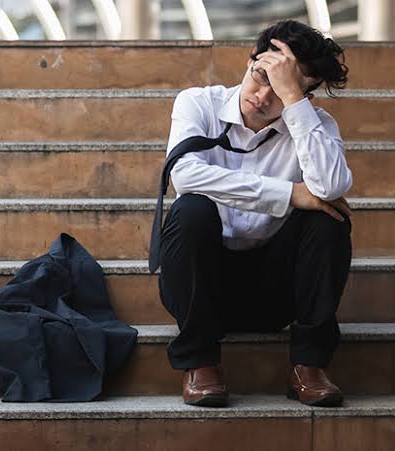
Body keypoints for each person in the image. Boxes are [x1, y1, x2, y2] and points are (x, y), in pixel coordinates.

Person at [151, 20, 352, 408]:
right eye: (260, 76)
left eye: (279, 89)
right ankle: (200, 363)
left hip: (275, 291)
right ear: (249, 60)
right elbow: (185, 175)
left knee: (328, 217)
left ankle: (308, 366)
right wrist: (290, 194)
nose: (262, 97)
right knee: (191, 209)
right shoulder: (198, 103)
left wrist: (293, 102)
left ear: (305, 95)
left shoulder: (314, 124)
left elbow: (330, 188)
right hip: (201, 286)